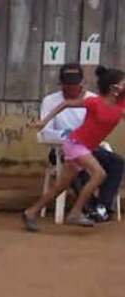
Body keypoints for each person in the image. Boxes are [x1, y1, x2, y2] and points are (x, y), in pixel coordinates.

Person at [23, 66, 125, 231]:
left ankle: (30, 212)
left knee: (61, 185)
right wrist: (44, 122)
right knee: (99, 174)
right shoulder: (95, 102)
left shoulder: (120, 106)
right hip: (75, 144)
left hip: (86, 147)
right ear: (114, 87)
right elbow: (65, 104)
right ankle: (76, 212)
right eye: (122, 83)